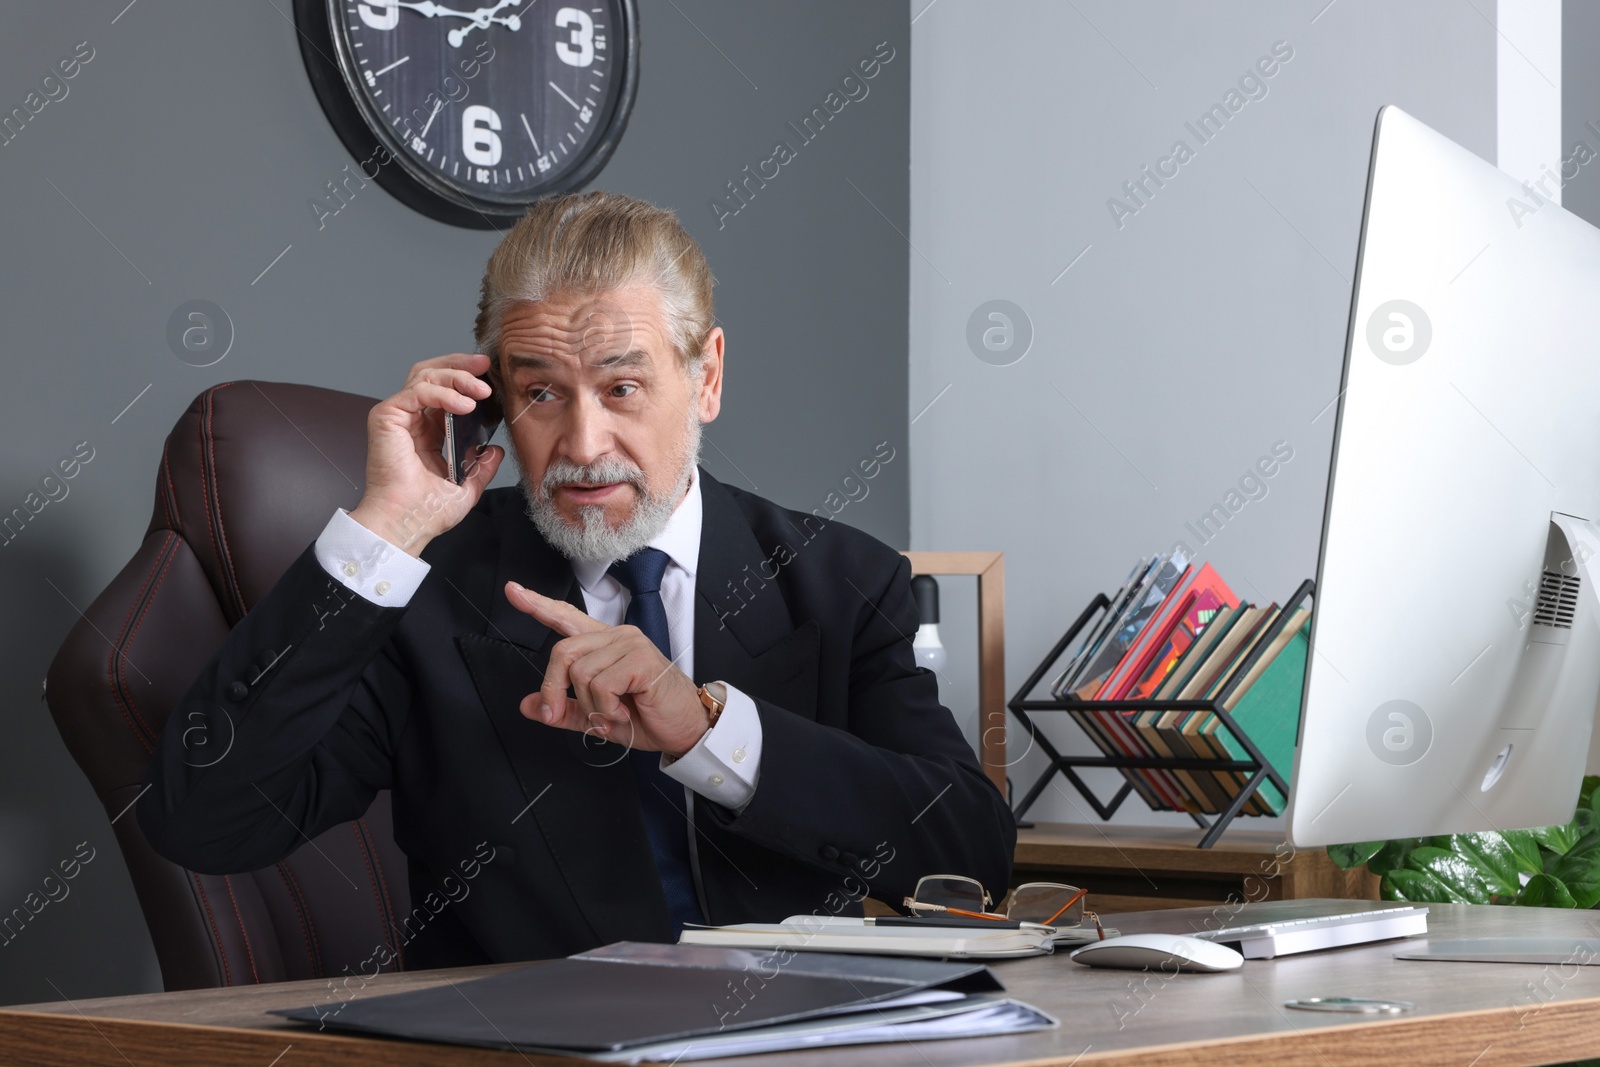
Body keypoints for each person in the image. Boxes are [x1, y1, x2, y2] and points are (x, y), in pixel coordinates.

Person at [139, 190, 1015, 968]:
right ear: (493, 401)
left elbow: (972, 853)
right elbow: (206, 818)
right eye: (544, 394)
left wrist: (706, 728)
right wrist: (385, 529)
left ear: (706, 377)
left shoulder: (840, 577)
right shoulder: (425, 590)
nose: (585, 445)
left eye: (623, 387)